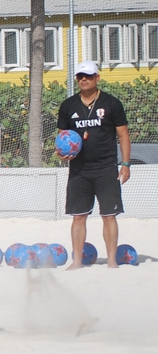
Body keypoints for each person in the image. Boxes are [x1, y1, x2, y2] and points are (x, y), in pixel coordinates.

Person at [56, 60, 131, 270]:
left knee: (109, 215)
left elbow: (123, 135)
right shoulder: (68, 105)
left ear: (97, 78)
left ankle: (111, 261)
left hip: (106, 167)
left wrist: (125, 164)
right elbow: (62, 137)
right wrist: (61, 153)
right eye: (80, 76)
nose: (83, 80)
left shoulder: (111, 103)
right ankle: (77, 262)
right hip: (79, 169)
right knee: (78, 216)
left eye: (88, 76)